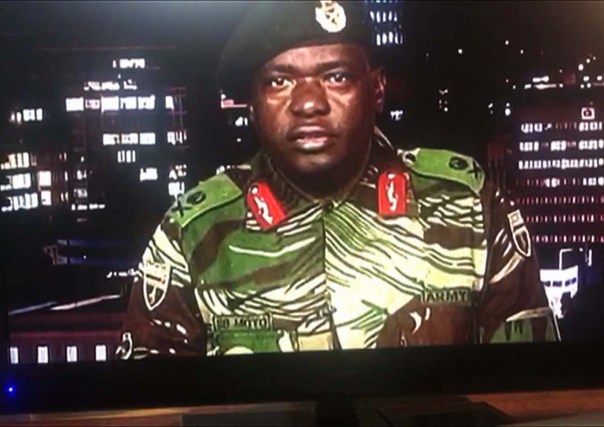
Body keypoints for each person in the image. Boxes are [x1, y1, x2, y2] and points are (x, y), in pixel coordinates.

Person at [116, 0, 557, 359]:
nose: (308, 103)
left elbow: (536, 394)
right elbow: (149, 406)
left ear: (377, 90)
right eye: (278, 82)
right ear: (252, 105)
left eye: (337, 76)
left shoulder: (469, 204)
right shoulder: (193, 230)